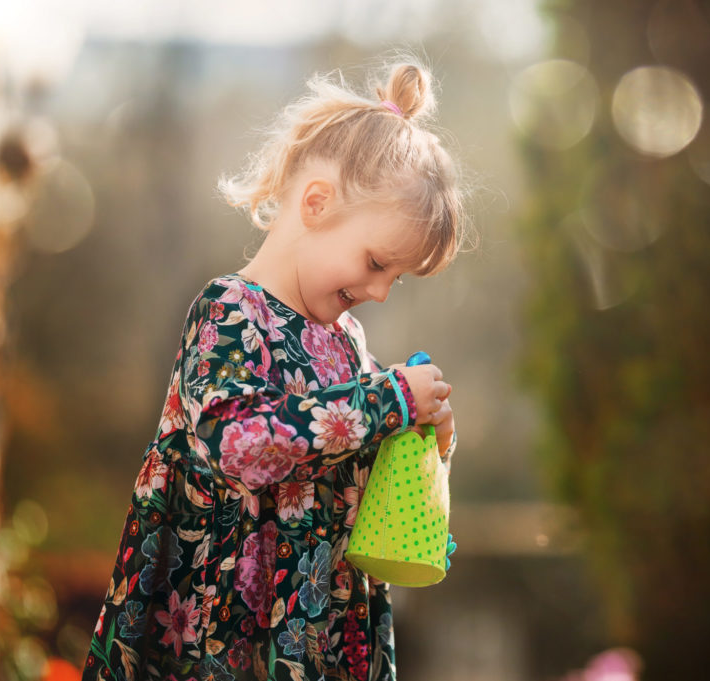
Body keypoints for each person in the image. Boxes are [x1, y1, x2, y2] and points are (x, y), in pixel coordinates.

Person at [81, 59, 468, 681]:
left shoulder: (346, 340)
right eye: (375, 262)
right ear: (316, 203)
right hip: (224, 626)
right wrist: (389, 398)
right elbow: (241, 446)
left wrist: (426, 439)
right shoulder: (231, 313)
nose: (380, 292)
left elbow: (355, 473)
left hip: (319, 631)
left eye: (395, 277)